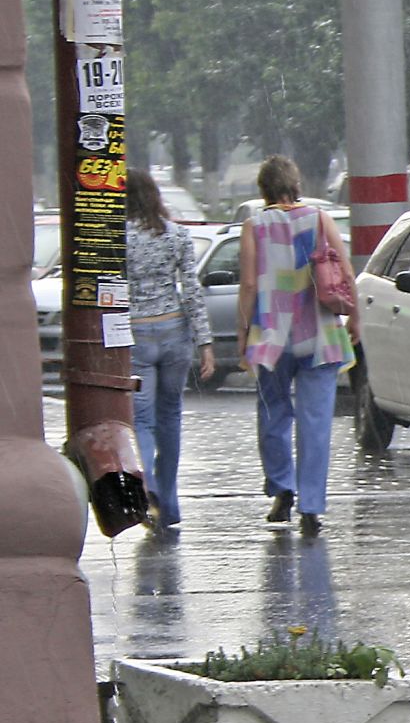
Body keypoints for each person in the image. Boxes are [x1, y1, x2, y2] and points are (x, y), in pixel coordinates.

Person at [236, 156, 355, 537]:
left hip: (271, 335)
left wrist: (243, 335)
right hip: (318, 333)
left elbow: (250, 286)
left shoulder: (254, 227)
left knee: (273, 414)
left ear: (263, 188)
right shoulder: (320, 219)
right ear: (296, 184)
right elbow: (344, 269)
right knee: (315, 421)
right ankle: (311, 507)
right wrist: (357, 317)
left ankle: (282, 488)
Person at [125, 169, 214, 533]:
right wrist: (205, 341)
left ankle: (148, 487)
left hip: (136, 333)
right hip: (175, 330)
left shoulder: (118, 238)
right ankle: (171, 503)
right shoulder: (176, 235)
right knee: (171, 416)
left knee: (141, 419)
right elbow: (191, 289)